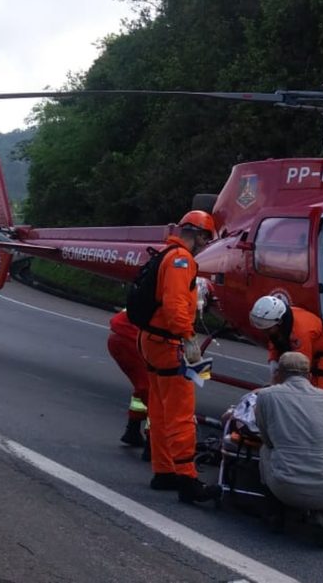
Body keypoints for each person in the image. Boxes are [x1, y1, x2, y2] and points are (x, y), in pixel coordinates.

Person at [137, 210, 221, 503]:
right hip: (169, 342)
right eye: (205, 239)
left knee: (159, 411)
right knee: (181, 413)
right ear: (198, 235)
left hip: (152, 340)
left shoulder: (166, 254)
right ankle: (187, 479)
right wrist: (188, 338)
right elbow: (174, 305)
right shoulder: (182, 260)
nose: (205, 245)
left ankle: (164, 472)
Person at [255, 351, 323, 542]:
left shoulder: (266, 396)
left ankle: (276, 512)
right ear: (310, 376)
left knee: (266, 450)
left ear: (278, 374)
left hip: (285, 488)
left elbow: (267, 438)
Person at [249, 295, 323, 393]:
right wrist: (274, 364)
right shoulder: (277, 324)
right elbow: (275, 342)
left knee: (318, 391)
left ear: (279, 322)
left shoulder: (300, 332)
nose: (264, 332)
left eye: (267, 329)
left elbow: (301, 365)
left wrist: (278, 386)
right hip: (306, 346)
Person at [107, 309, 149, 447]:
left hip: (123, 335)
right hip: (131, 338)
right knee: (157, 392)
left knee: (144, 385)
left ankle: (133, 430)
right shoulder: (181, 297)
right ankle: (153, 442)